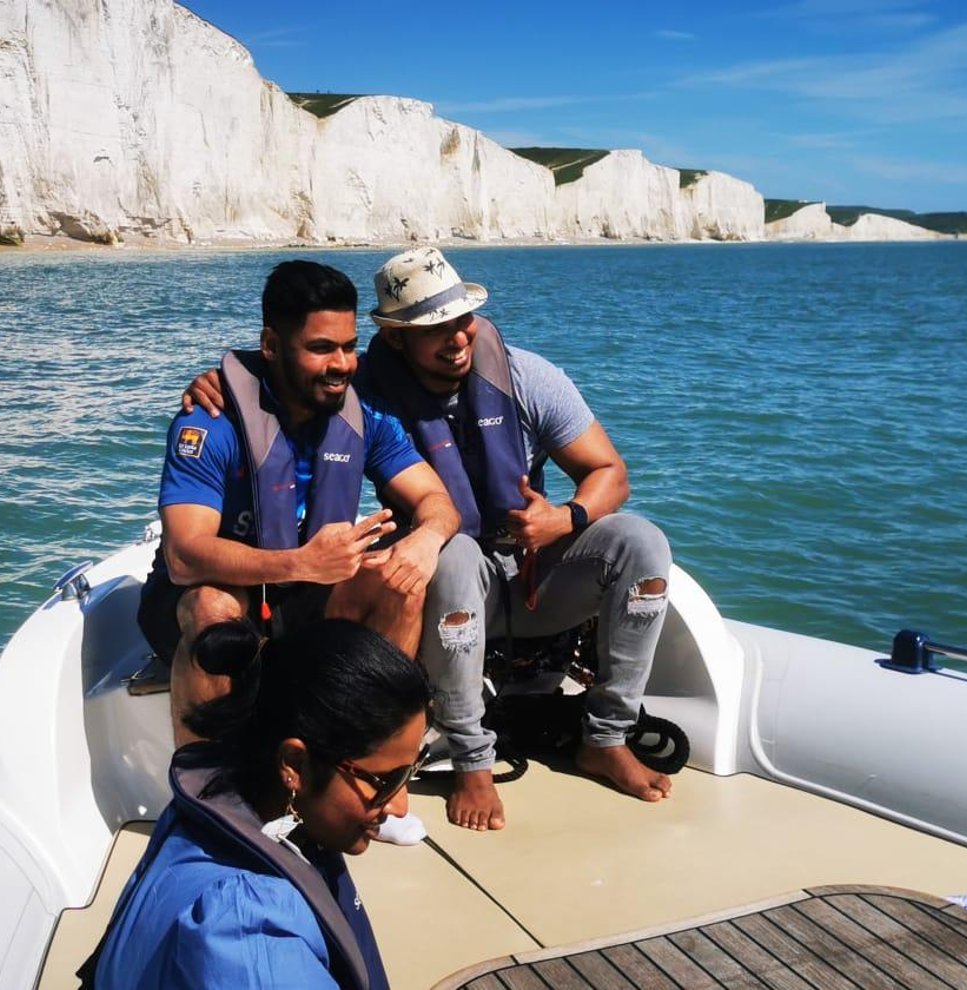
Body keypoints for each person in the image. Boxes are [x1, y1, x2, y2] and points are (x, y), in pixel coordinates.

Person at [186, 249, 675, 833]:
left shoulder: (527, 378)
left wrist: (565, 518)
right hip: (450, 582)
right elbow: (285, 375)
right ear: (395, 338)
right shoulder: (359, 387)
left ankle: (607, 737)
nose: (457, 338)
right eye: (434, 328)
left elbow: (611, 474)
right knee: (455, 551)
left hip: (535, 573)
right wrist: (221, 381)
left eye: (462, 320)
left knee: (642, 543)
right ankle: (471, 759)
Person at [142, 260, 458, 746]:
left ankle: (358, 758)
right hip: (213, 597)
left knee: (400, 584)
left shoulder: (365, 417)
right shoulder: (210, 422)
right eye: (321, 348)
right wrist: (301, 563)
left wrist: (426, 540)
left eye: (349, 347)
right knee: (213, 608)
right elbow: (184, 555)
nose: (342, 364)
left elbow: (436, 499)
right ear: (271, 345)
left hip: (307, 595)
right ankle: (209, 780)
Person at [94, 619, 430, 990]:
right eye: (385, 782)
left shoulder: (220, 803)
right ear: (295, 765)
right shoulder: (247, 933)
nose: (400, 807)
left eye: (410, 772)